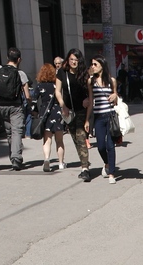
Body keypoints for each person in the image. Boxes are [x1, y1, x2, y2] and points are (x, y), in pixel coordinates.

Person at [0, 47, 30, 170]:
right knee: (16, 131)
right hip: (16, 106)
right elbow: (27, 95)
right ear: (19, 59)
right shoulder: (20, 74)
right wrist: (29, 103)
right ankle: (16, 158)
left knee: (9, 132)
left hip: (1, 105)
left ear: (7, 58)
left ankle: (12, 155)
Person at [55, 49, 92, 181]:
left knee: (81, 137)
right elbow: (58, 91)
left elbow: (90, 94)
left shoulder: (84, 74)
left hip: (81, 110)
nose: (73, 62)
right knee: (75, 138)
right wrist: (62, 105)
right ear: (67, 60)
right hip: (68, 111)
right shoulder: (62, 73)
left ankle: (85, 169)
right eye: (71, 59)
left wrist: (88, 102)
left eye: (76, 60)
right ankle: (84, 164)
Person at [84, 55, 119, 183]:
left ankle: (112, 174)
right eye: (92, 64)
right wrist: (87, 120)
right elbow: (91, 100)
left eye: (95, 64)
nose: (92, 67)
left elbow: (116, 100)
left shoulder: (111, 81)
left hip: (110, 116)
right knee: (100, 146)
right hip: (98, 117)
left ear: (102, 66)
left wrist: (114, 95)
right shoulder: (91, 81)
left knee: (110, 145)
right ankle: (107, 163)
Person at [31, 62, 64, 172]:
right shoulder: (57, 85)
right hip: (57, 112)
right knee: (59, 141)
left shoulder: (40, 86)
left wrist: (35, 112)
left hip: (45, 112)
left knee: (47, 140)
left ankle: (46, 159)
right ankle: (60, 163)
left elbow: (34, 101)